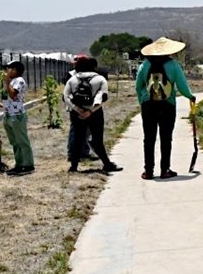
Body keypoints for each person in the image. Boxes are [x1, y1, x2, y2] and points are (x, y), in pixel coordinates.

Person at [135, 37, 196, 180]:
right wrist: (190, 96)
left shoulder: (144, 65)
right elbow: (182, 86)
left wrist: (142, 101)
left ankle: (148, 171)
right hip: (167, 105)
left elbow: (138, 87)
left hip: (148, 105)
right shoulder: (174, 65)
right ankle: (165, 169)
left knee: (148, 139)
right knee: (166, 138)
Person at [63, 56, 122, 173]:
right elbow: (103, 97)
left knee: (78, 139)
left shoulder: (72, 80)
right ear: (93, 66)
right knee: (97, 140)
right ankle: (107, 164)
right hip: (95, 114)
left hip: (77, 114)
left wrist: (78, 110)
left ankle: (73, 166)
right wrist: (90, 111)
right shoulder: (100, 79)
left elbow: (65, 97)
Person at [0, 60, 35, 175]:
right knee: (15, 141)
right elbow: (12, 99)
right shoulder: (11, 81)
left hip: (17, 115)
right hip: (9, 114)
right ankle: (19, 164)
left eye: (8, 69)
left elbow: (13, 94)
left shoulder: (19, 81)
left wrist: (7, 81)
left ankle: (28, 165)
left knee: (22, 140)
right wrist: (2, 105)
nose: (6, 71)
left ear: (15, 70)